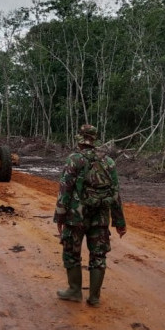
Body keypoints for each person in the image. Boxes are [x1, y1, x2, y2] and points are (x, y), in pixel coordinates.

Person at [53, 124, 126, 307]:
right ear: (95, 140)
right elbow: (116, 193)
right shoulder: (108, 162)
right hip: (100, 217)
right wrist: (119, 222)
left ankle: (75, 291)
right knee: (98, 255)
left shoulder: (74, 160)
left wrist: (59, 217)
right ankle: (94, 297)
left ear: (80, 140)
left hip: (75, 217)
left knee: (71, 253)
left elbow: (65, 190)